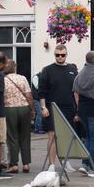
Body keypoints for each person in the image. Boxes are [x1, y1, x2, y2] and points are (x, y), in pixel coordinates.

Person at [39, 44, 78, 172]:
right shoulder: (47, 70)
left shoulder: (72, 69)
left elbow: (76, 91)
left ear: (66, 55)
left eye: (62, 55)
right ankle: (51, 164)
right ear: (54, 55)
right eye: (57, 55)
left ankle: (65, 162)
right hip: (52, 107)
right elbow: (42, 92)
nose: (60, 57)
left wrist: (78, 109)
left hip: (69, 107)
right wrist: (43, 107)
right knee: (52, 135)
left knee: (66, 136)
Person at [3, 60, 35, 174]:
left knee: (12, 136)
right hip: (24, 108)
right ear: (15, 67)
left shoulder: (3, 80)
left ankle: (14, 164)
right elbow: (29, 95)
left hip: (9, 109)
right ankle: (26, 164)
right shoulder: (22, 78)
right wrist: (32, 110)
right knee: (25, 136)